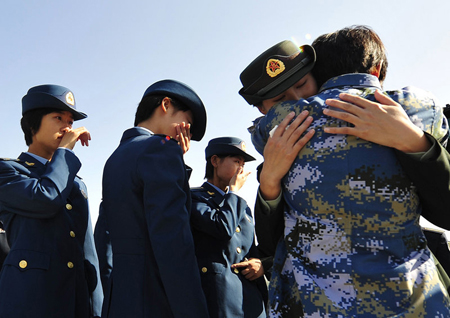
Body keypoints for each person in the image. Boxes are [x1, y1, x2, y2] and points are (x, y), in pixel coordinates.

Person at [250, 26, 450, 317]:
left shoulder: (272, 129)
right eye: (280, 101)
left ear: (321, 76)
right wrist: (269, 180)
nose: (296, 103)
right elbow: (270, 241)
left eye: (303, 85)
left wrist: (412, 142)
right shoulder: (416, 109)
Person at [99, 79, 209, 318]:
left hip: (120, 301)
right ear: (166, 104)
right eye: (186, 122)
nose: (185, 132)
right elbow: (173, 242)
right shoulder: (160, 149)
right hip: (155, 301)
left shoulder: (117, 156)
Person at [0, 84, 102, 318]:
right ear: (32, 124)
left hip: (75, 303)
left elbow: (89, 255)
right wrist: (65, 153)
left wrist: (97, 309)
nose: (67, 127)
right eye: (58, 118)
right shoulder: (8, 171)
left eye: (70, 121)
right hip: (29, 302)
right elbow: (46, 198)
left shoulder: (76, 183)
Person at [190, 137, 267, 318]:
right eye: (236, 161)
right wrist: (233, 191)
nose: (241, 169)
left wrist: (261, 265)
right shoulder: (194, 198)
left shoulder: (241, 205)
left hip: (251, 301)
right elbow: (222, 228)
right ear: (215, 161)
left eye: (243, 164)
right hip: (220, 300)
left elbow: (251, 248)